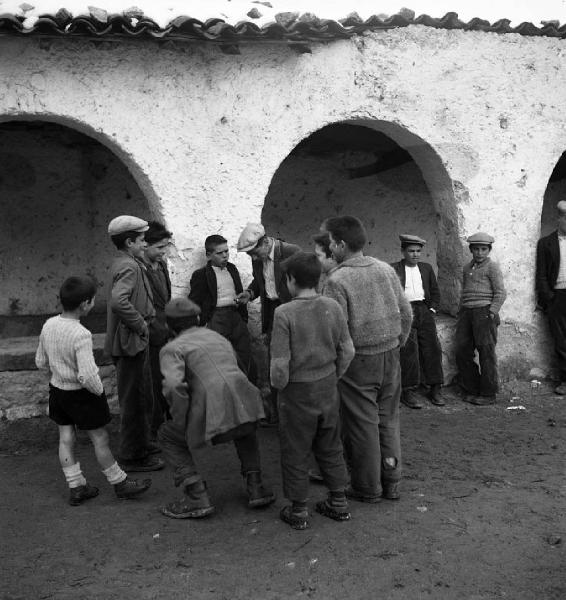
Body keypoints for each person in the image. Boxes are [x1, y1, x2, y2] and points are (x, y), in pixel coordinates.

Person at [36, 276, 151, 505]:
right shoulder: (81, 334)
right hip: (82, 395)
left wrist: (55, 379)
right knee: (100, 438)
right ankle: (120, 483)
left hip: (58, 392)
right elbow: (88, 375)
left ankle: (77, 487)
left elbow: (41, 361)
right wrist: (98, 392)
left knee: (66, 438)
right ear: (85, 304)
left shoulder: (49, 324)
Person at [322, 216, 412, 503]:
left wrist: (336, 367)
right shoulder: (385, 269)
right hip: (390, 354)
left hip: (359, 360)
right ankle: (393, 481)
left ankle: (367, 487)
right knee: (388, 419)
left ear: (340, 244)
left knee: (362, 424)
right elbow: (406, 313)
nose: (328, 247)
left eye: (329, 242)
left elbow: (336, 331)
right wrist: (398, 342)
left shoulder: (337, 280)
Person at [158, 297, 275, 519]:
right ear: (200, 319)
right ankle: (256, 486)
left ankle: (196, 496)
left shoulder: (171, 349)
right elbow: (241, 367)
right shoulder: (217, 337)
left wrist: (181, 419)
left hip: (212, 416)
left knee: (167, 435)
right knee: (245, 426)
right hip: (247, 405)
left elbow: (173, 387)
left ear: (168, 325)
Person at [271, 252, 354, 530]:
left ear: (291, 280)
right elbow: (347, 350)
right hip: (328, 386)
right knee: (330, 444)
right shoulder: (332, 306)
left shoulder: (284, 313)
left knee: (296, 448)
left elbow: (280, 365)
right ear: (319, 278)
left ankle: (298, 509)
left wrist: (279, 388)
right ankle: (338, 501)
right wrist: (333, 375)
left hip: (297, 392)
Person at [105, 215, 164, 472]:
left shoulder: (127, 261)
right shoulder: (129, 266)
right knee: (135, 400)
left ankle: (142, 444)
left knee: (143, 397)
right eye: (141, 240)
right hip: (131, 341)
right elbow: (119, 302)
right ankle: (133, 455)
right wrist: (141, 324)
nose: (144, 244)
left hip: (134, 340)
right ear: (129, 242)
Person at [236, 223, 301, 424]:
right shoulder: (259, 258)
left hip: (293, 311)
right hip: (273, 311)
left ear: (265, 242)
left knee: (295, 360)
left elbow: (305, 283)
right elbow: (261, 281)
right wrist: (250, 292)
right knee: (275, 361)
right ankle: (276, 413)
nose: (253, 258)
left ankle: (296, 413)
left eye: (254, 253)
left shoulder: (291, 252)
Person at [391, 234, 445, 408]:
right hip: (405, 311)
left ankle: (435, 388)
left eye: (418, 251)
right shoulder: (394, 269)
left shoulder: (426, 268)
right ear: (403, 251)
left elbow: (435, 292)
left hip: (423, 309)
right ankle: (409, 390)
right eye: (411, 251)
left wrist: (432, 309)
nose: (415, 254)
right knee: (408, 351)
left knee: (432, 348)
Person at [189, 234, 254, 379]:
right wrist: (201, 324)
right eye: (220, 253)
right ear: (208, 255)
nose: (225, 256)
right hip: (216, 318)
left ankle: (245, 389)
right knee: (219, 357)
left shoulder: (232, 268)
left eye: (227, 251)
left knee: (244, 353)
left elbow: (238, 289)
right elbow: (194, 301)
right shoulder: (201, 275)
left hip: (236, 316)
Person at [455, 232, 507, 406]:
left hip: (484, 312)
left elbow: (500, 292)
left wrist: (492, 312)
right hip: (466, 313)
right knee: (462, 350)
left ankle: (488, 393)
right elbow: (465, 292)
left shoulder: (492, 267)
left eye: (484, 249)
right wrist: (460, 311)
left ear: (489, 250)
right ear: (471, 250)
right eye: (476, 249)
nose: (479, 253)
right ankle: (472, 388)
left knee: (486, 353)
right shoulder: (466, 268)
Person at [143, 221, 173, 443]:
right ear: (145, 245)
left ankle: (169, 423)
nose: (164, 252)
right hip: (148, 335)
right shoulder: (138, 270)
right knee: (151, 383)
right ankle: (153, 430)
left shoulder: (160, 266)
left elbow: (166, 299)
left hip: (165, 331)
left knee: (166, 379)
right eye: (160, 248)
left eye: (166, 247)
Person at [536, 200, 566, 394]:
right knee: (561, 340)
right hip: (559, 296)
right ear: (559, 219)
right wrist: (549, 297)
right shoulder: (546, 243)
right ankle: (565, 380)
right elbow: (541, 274)